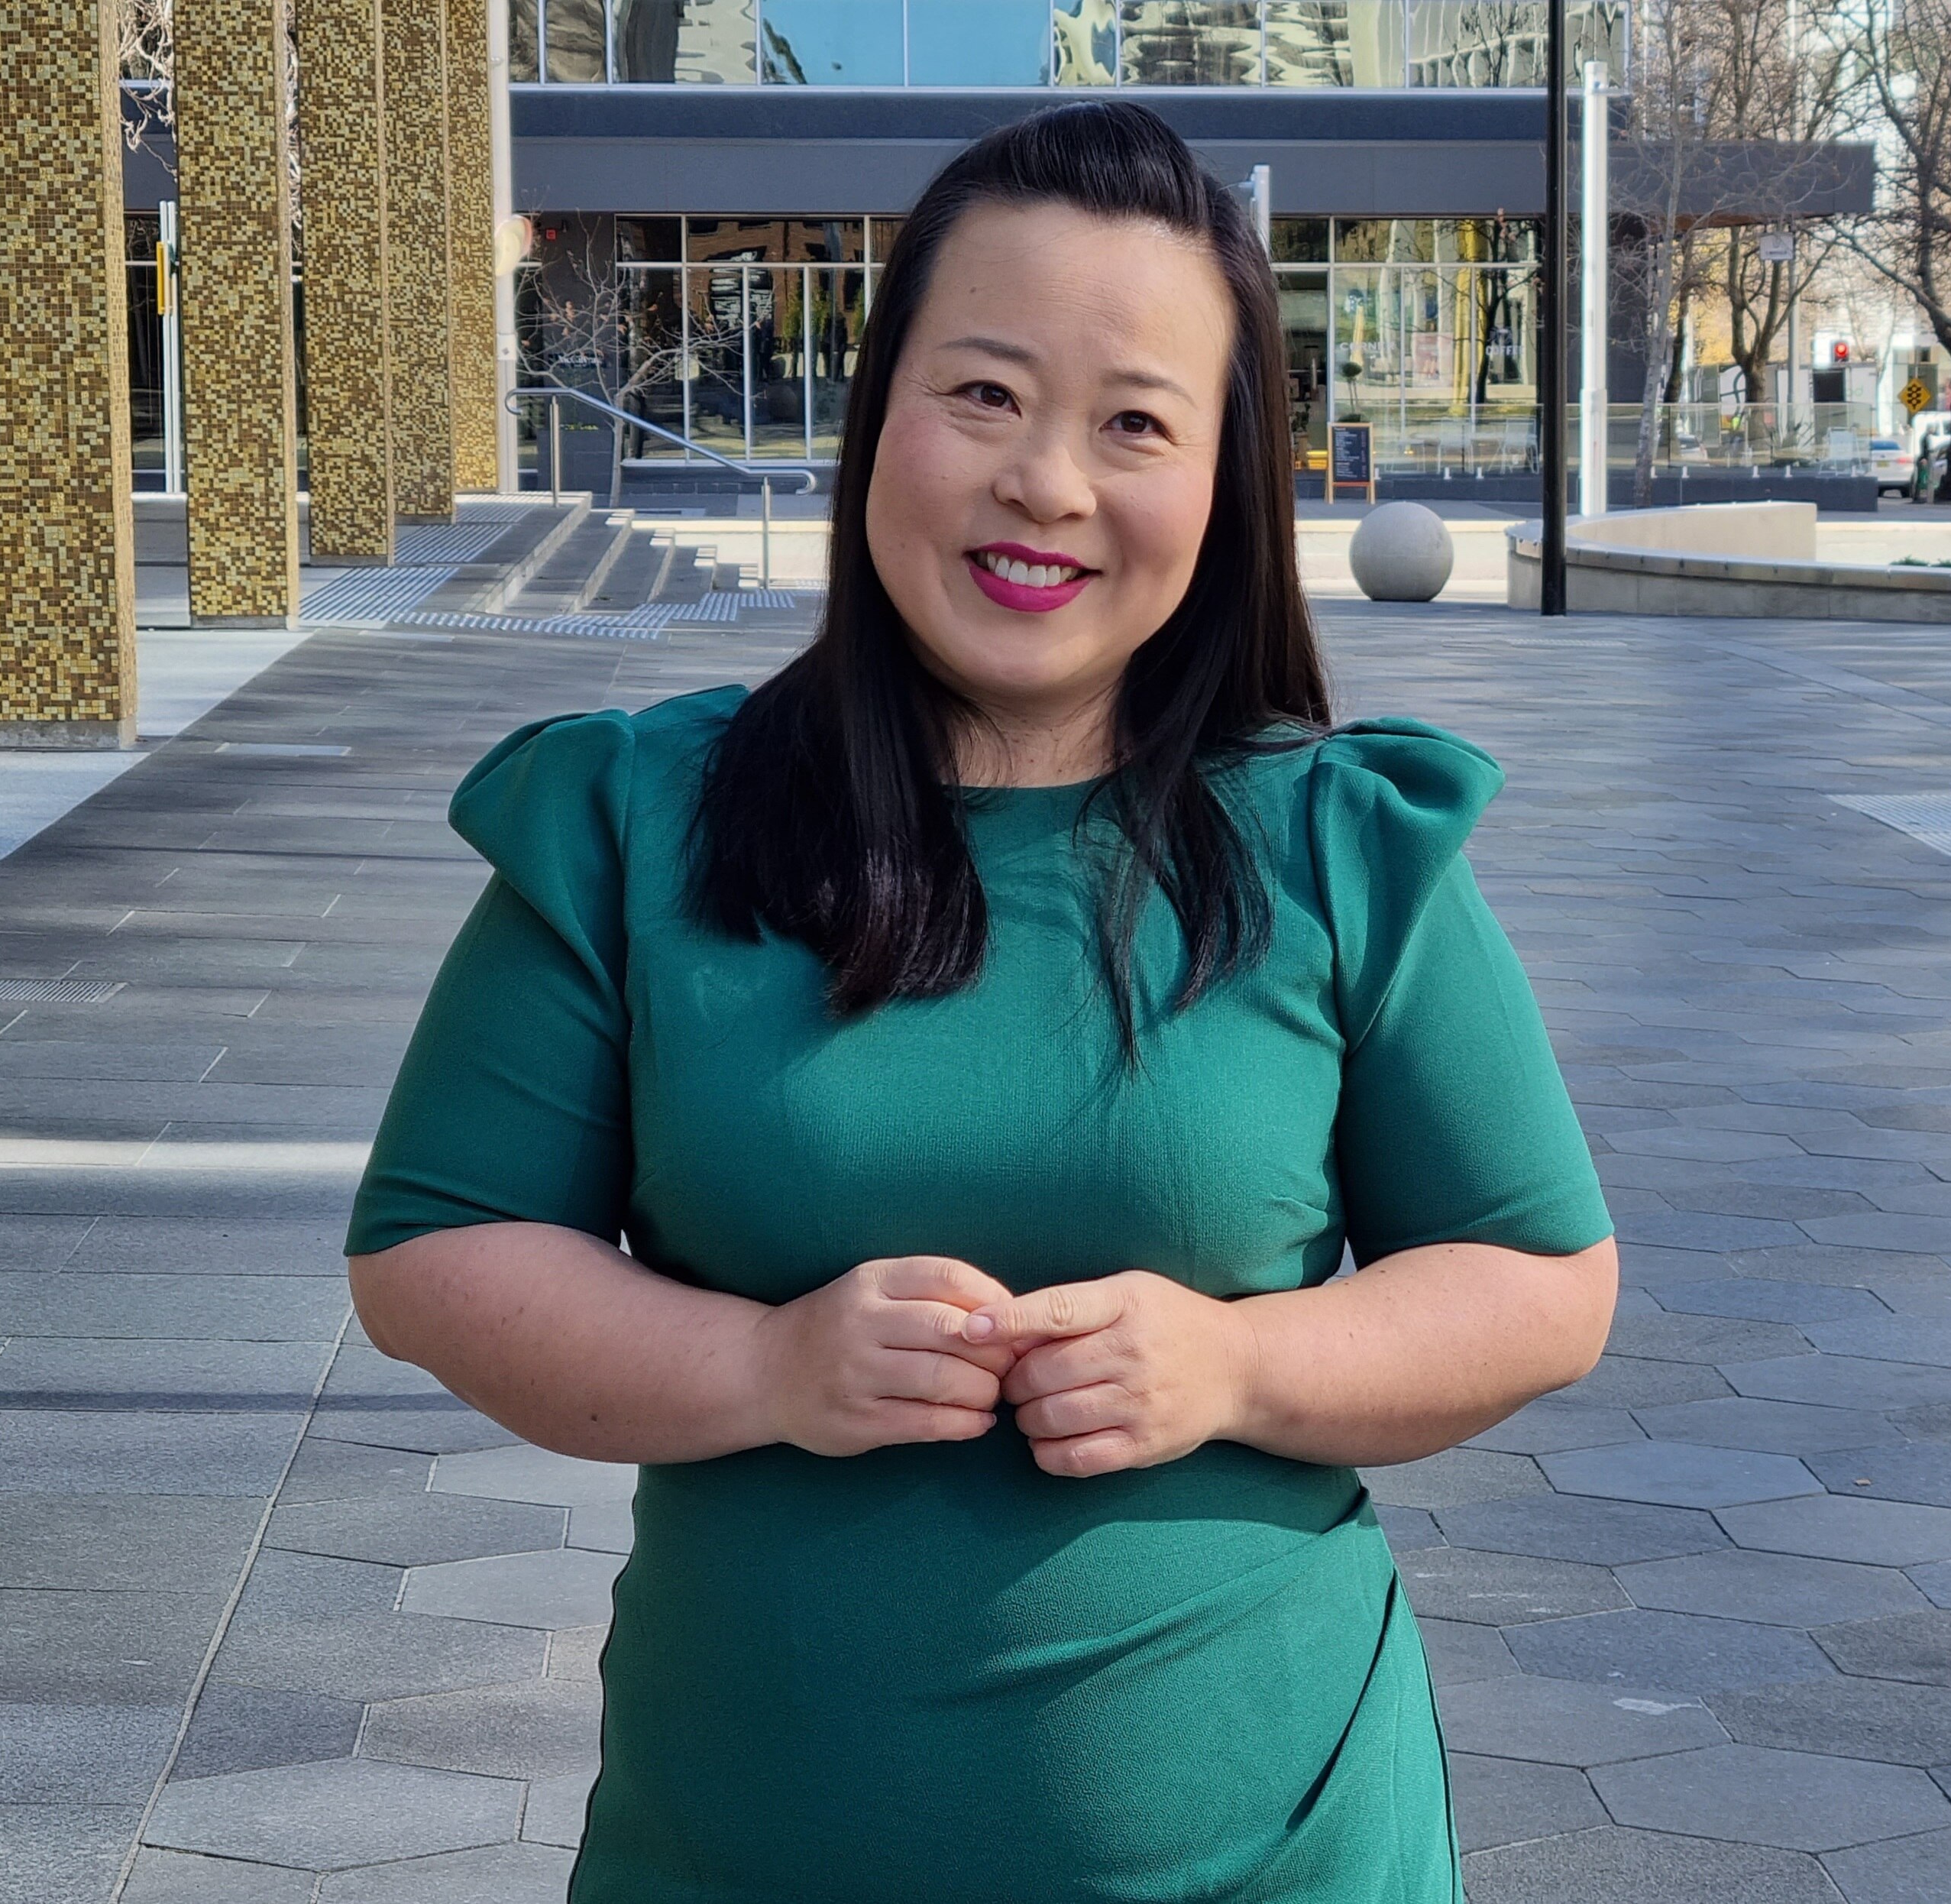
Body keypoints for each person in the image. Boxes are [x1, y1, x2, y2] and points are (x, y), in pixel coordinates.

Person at [346, 101, 1617, 1903]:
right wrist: (763, 1363)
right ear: (882, 416)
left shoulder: (1338, 838)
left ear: (1220, 478)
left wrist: (1239, 1359)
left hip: (1278, 1853)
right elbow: (434, 1249)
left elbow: (1540, 1281)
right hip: (745, 1850)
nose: (1047, 481)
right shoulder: (637, 820)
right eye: (986, 394)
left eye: (1134, 424)